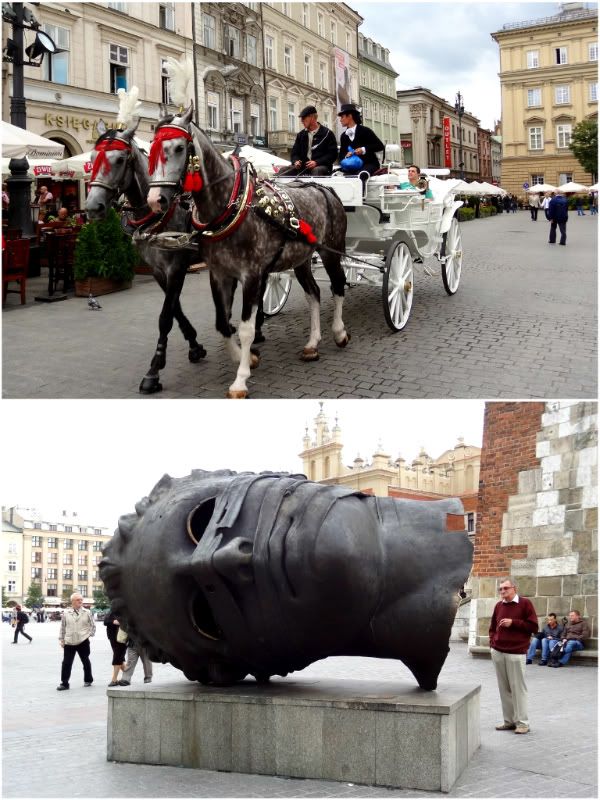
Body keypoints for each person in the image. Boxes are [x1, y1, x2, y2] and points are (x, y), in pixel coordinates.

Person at [489, 578, 538, 735]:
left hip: (516, 653)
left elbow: (533, 627)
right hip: (498, 652)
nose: (502, 591)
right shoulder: (498, 606)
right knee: (504, 689)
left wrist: (514, 623)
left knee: (518, 689)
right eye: (500, 589)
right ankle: (509, 721)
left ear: (514, 588)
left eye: (505, 588)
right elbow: (492, 627)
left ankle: (522, 723)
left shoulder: (525, 604)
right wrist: (493, 643)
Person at [278, 106, 338, 177]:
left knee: (317, 170)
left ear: (312, 117)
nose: (302, 121)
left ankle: (315, 188)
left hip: (322, 167)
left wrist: (317, 162)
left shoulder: (327, 133)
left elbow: (333, 154)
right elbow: (294, 153)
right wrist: (296, 161)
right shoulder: (301, 135)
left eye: (303, 118)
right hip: (303, 167)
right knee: (283, 170)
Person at [57, 592, 96, 690]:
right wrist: (62, 639)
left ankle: (88, 679)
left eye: (81, 600)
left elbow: (93, 626)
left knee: (85, 661)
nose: (80, 601)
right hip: (69, 641)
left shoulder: (87, 612)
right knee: (66, 662)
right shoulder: (66, 613)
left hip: (83, 640)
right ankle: (64, 683)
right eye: (78, 600)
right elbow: (62, 627)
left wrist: (88, 635)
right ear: (72, 601)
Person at [337, 103, 385, 176]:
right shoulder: (343, 136)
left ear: (349, 116)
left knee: (361, 175)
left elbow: (380, 146)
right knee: (338, 176)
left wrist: (363, 149)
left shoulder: (365, 131)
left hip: (369, 164)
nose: (340, 120)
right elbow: (341, 154)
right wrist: (346, 155)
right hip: (351, 165)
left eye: (342, 117)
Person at [104, 609, 128, 686]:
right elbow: (105, 621)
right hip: (113, 637)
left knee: (117, 656)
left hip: (122, 637)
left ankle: (114, 680)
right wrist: (113, 621)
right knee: (119, 656)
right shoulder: (112, 610)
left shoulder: (128, 610)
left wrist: (121, 622)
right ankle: (127, 675)